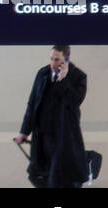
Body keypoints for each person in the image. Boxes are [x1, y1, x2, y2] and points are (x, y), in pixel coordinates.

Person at [15, 46, 89, 189]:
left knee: (59, 179)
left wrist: (63, 80)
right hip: (42, 135)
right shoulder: (42, 74)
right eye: (51, 58)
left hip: (63, 138)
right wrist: (24, 131)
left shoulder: (78, 77)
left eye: (57, 60)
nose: (52, 63)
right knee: (39, 175)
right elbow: (32, 104)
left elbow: (75, 102)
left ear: (66, 60)